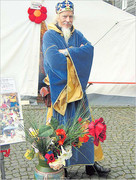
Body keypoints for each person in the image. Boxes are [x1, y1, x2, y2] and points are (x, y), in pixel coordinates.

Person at [42, 0, 110, 177]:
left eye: (71, 16)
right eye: (64, 16)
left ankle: (90, 164)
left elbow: (89, 50)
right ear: (57, 16)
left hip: (78, 93)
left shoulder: (77, 34)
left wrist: (66, 52)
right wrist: (74, 52)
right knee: (61, 130)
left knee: (86, 128)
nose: (68, 20)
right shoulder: (49, 36)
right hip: (61, 94)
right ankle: (60, 166)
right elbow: (52, 60)